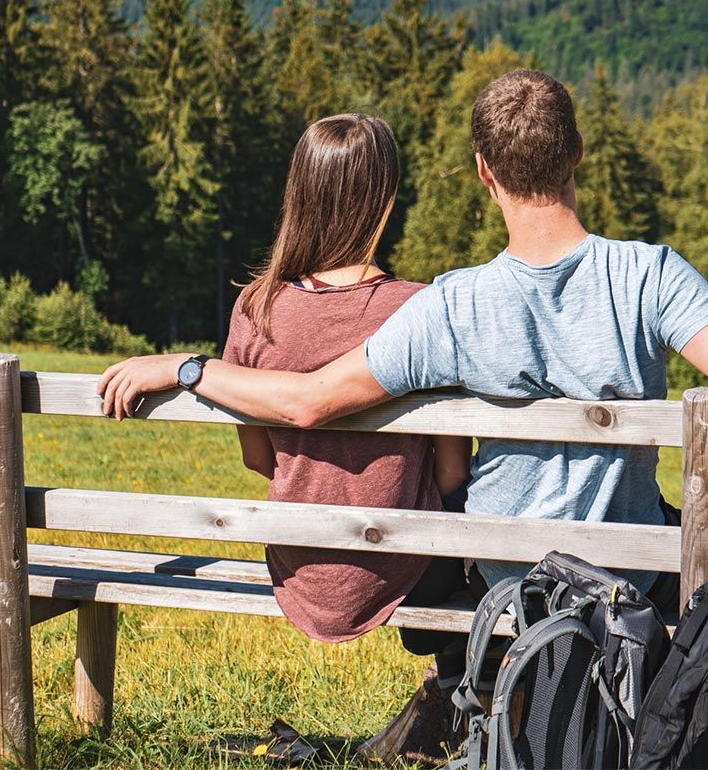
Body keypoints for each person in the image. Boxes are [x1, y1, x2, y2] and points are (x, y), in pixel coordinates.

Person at [100, 69, 708, 752]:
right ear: (577, 153)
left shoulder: (451, 306)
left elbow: (307, 403)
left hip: (507, 575)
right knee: (679, 529)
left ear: (484, 172)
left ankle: (478, 704)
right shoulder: (650, 273)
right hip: (626, 569)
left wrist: (187, 368)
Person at [103, 113, 472, 747]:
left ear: (299, 195)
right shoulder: (419, 308)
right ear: (385, 199)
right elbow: (450, 473)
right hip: (404, 566)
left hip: (297, 566)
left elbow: (258, 458)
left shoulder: (257, 306)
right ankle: (459, 704)